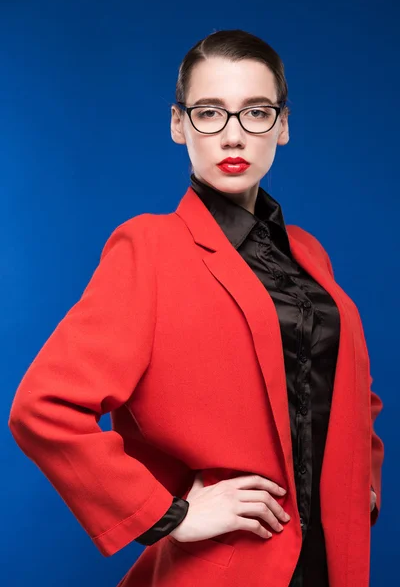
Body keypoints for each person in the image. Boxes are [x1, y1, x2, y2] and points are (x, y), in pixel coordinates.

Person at [8, 29, 384, 587]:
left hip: (334, 560)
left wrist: (363, 484)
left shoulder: (308, 253)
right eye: (210, 112)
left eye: (256, 112)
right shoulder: (149, 246)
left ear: (283, 126)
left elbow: (349, 388)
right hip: (231, 568)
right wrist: (170, 513)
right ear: (179, 124)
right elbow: (44, 408)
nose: (234, 136)